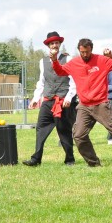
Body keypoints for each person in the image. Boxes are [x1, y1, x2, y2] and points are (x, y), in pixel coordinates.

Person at [51, 39, 112, 166]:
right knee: (78, 135)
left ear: (91, 49)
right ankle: (93, 163)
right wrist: (55, 60)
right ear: (79, 50)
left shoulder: (102, 60)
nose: (85, 54)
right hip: (84, 105)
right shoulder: (74, 63)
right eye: (82, 52)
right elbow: (60, 71)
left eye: (87, 52)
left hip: (100, 103)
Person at [24, 31, 78, 167]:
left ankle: (69, 159)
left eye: (56, 43)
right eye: (52, 43)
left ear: (60, 44)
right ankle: (36, 159)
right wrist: (36, 98)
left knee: (64, 130)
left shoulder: (68, 59)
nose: (54, 45)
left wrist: (69, 97)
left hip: (63, 101)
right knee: (40, 128)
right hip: (48, 100)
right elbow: (41, 81)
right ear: (48, 45)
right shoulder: (42, 62)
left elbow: (73, 81)